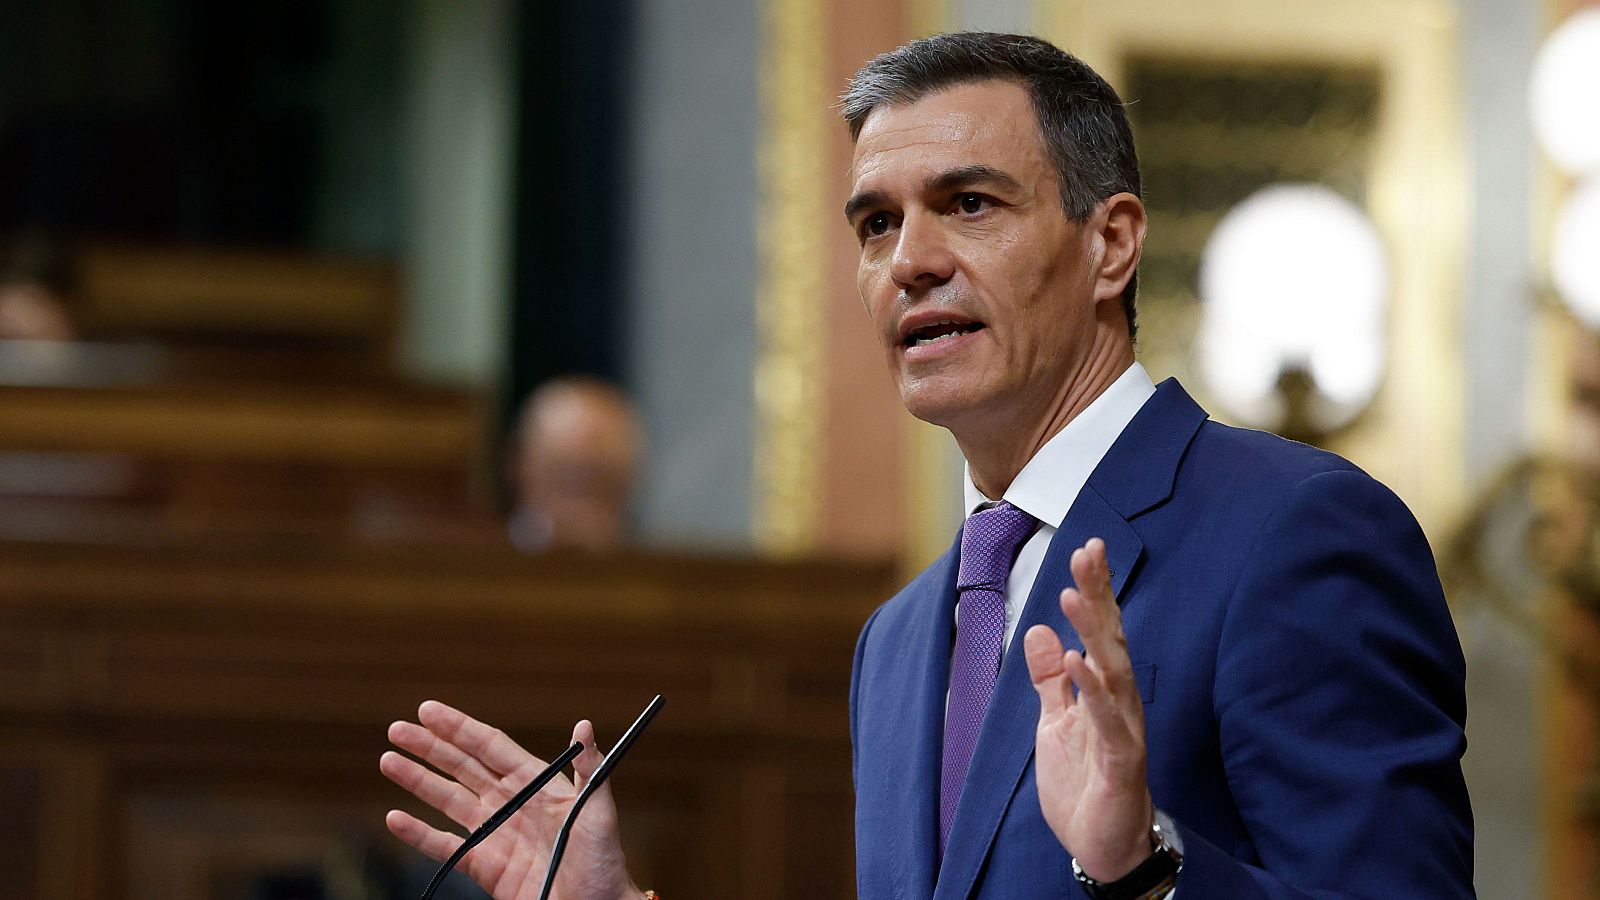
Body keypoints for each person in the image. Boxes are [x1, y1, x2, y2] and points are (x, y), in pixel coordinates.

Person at [380, 33, 1473, 899]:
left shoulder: (1295, 532)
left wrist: (1143, 868)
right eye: (875, 223)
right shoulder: (900, 639)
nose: (909, 261)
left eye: (968, 204)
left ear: (1111, 244)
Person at [505, 376, 642, 554]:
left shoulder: (658, 564)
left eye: (600, 481)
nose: (579, 512)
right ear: (520, 467)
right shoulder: (485, 561)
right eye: (565, 480)